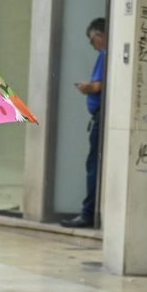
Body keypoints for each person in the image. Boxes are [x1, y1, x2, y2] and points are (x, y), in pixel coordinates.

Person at [62, 17, 106, 229]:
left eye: (92, 40)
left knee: (93, 166)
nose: (92, 45)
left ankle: (88, 213)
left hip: (100, 118)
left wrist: (85, 88)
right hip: (98, 117)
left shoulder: (105, 54)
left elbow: (97, 86)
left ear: (100, 36)